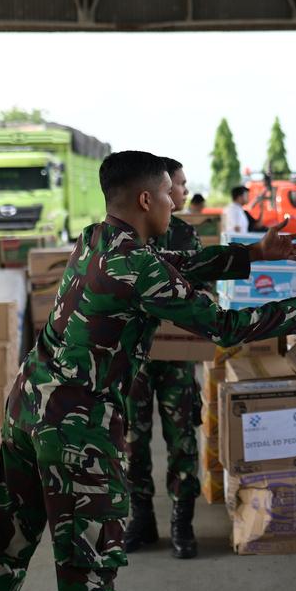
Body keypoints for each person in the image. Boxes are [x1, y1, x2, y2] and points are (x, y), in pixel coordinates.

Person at [0, 150, 296, 591]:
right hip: (75, 426)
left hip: (28, 407)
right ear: (146, 199)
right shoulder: (138, 264)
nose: (177, 202)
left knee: (6, 539)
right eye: (170, 194)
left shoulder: (96, 239)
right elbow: (223, 326)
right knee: (89, 562)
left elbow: (172, 265)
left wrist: (252, 253)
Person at [123, 158, 205, 559]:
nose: (184, 192)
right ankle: (141, 519)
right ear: (161, 190)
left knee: (182, 438)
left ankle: (181, 523)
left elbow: (203, 287)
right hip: (135, 359)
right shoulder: (129, 236)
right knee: (132, 441)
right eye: (179, 185)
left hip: (176, 358)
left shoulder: (186, 235)